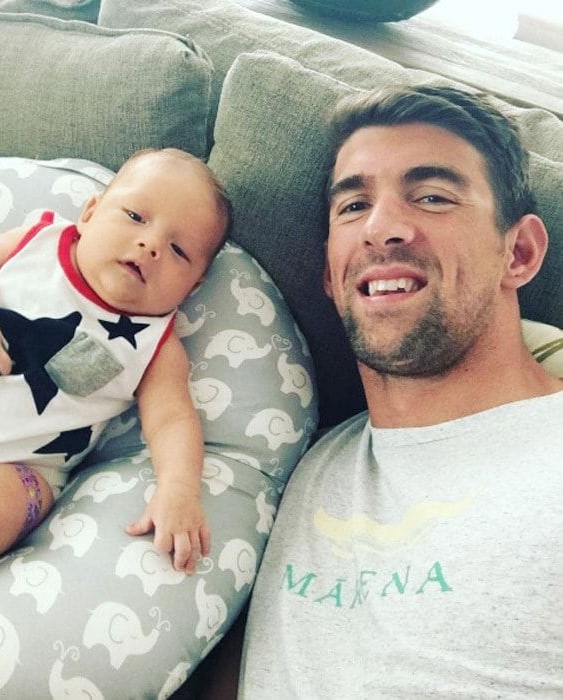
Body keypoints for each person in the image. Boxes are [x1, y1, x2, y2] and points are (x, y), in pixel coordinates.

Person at [239, 86, 562, 697]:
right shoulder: (299, 464)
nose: (382, 228)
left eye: (433, 196)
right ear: (331, 278)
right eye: (354, 206)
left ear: (517, 253)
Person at [0, 147, 231, 643]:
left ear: (194, 284)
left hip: (0, 476)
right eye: (136, 216)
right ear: (91, 211)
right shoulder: (37, 241)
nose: (149, 245)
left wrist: (178, 491)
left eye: (179, 250)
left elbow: (172, 421)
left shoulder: (155, 345)